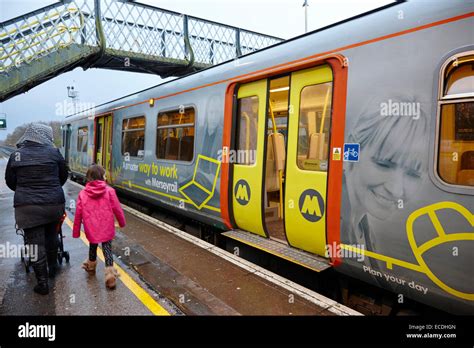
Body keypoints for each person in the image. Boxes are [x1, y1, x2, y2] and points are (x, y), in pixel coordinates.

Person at [5, 123, 69, 295]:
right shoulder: (54, 153)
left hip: (27, 207)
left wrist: (25, 191)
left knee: (34, 244)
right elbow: (63, 176)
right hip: (53, 204)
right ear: (45, 136)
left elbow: (10, 181)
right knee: (51, 235)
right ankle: (53, 267)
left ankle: (42, 284)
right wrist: (52, 189)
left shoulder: (16, 155)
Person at [72, 164, 126, 289]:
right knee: (107, 249)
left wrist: (76, 232)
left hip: (91, 228)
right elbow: (117, 209)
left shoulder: (83, 194)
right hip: (106, 227)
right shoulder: (110, 191)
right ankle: (110, 275)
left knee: (92, 246)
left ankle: (91, 267)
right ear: (102, 177)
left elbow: (78, 214)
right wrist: (122, 222)